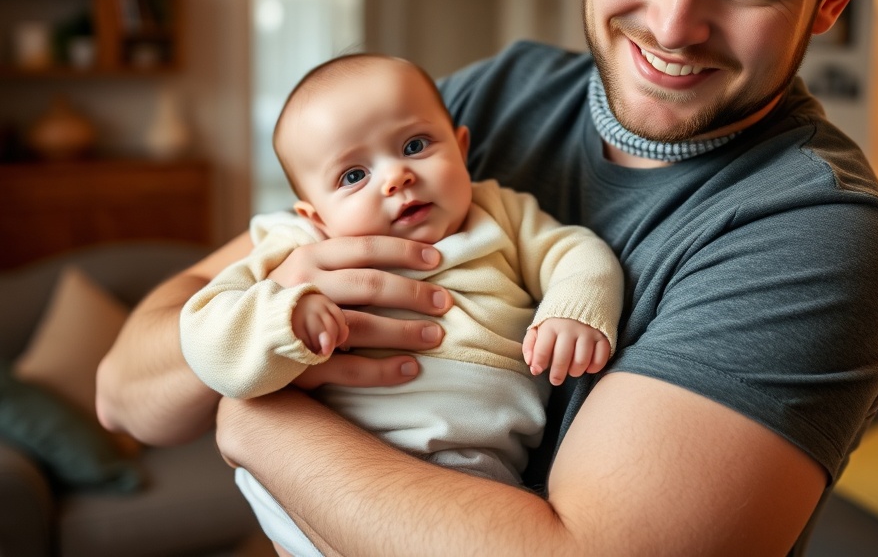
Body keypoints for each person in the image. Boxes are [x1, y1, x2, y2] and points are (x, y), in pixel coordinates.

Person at [97, 0, 878, 554]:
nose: (673, 26)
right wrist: (252, 327)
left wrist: (255, 420)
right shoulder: (491, 98)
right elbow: (125, 393)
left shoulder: (819, 236)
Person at [179, 53, 622, 556]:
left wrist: (574, 307)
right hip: (332, 452)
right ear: (314, 213)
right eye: (352, 176)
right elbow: (204, 330)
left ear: (460, 148)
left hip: (472, 457)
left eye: (415, 145)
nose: (396, 178)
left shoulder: (500, 210)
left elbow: (577, 251)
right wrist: (285, 318)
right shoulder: (295, 242)